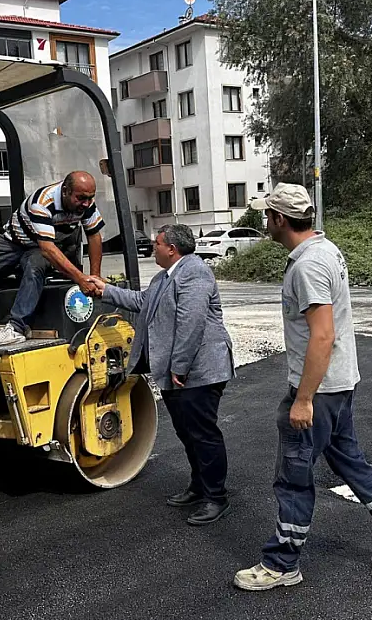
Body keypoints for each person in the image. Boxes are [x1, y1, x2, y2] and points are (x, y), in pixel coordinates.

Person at [233, 183, 372, 592]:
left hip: (320, 390)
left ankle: (281, 563)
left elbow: (322, 335)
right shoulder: (325, 250)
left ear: (278, 219)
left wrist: (303, 398)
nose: (265, 222)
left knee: (293, 474)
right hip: (338, 384)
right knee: (351, 464)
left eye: (266, 216)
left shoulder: (308, 265)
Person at [85, 224, 236, 526]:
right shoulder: (163, 277)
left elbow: (190, 322)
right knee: (187, 432)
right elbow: (142, 303)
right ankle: (199, 485)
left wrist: (179, 366)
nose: (153, 248)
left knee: (203, 434)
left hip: (198, 370)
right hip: (177, 372)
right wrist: (105, 289)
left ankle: (216, 497)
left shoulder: (194, 271)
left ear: (172, 249)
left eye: (157, 243)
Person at [0, 171, 105, 346]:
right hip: (12, 243)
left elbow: (94, 236)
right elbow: (48, 249)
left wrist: (94, 277)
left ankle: (16, 327)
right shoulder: (42, 203)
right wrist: (80, 278)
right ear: (65, 191)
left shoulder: (87, 205)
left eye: (90, 198)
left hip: (37, 246)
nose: (86, 203)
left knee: (36, 264)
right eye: (80, 198)